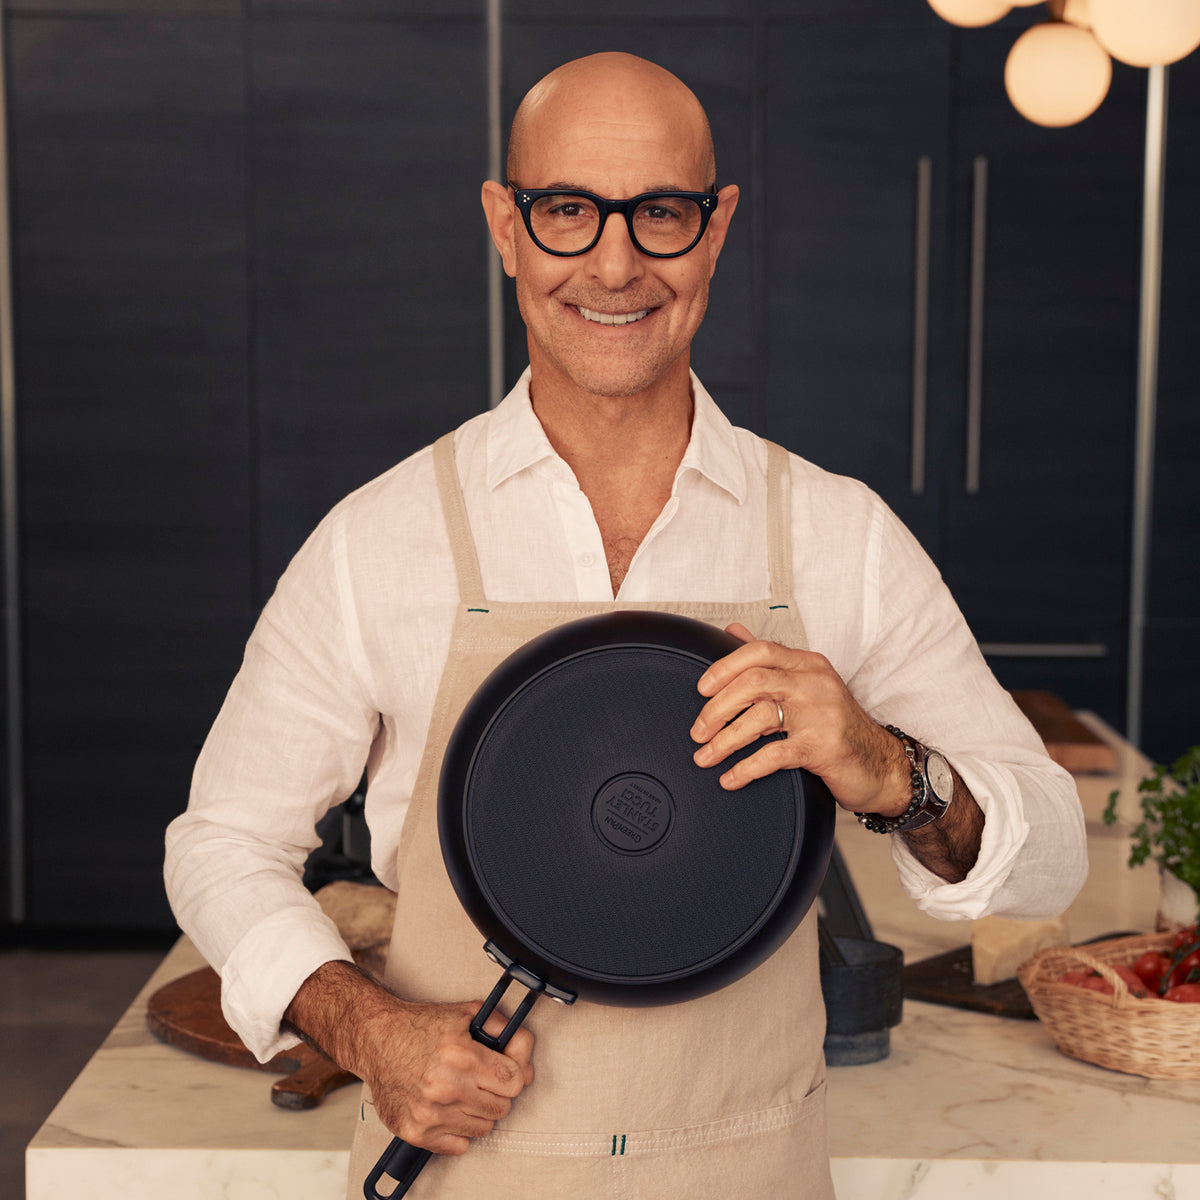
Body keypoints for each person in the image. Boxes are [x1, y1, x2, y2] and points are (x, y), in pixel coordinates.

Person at [165, 51, 1086, 1199]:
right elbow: (222, 842)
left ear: (716, 227)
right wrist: (366, 1029)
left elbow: (1051, 853)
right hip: (470, 1176)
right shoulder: (376, 541)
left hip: (752, 1172)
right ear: (506, 225)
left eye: (660, 212)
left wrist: (897, 772)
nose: (614, 263)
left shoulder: (839, 536)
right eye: (567, 210)